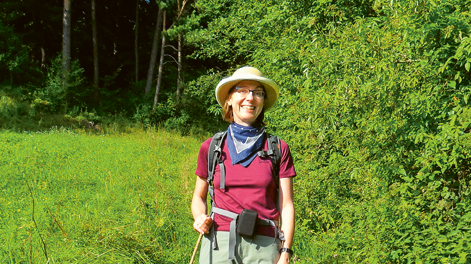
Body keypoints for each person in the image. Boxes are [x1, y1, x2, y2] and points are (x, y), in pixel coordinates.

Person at [191, 66, 296, 264]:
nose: (250, 98)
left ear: (263, 102)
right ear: (229, 99)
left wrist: (286, 252)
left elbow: (287, 205)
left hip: (265, 245)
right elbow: (198, 196)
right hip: (218, 243)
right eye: (242, 90)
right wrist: (199, 217)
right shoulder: (211, 147)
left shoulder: (278, 148)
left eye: (258, 93)